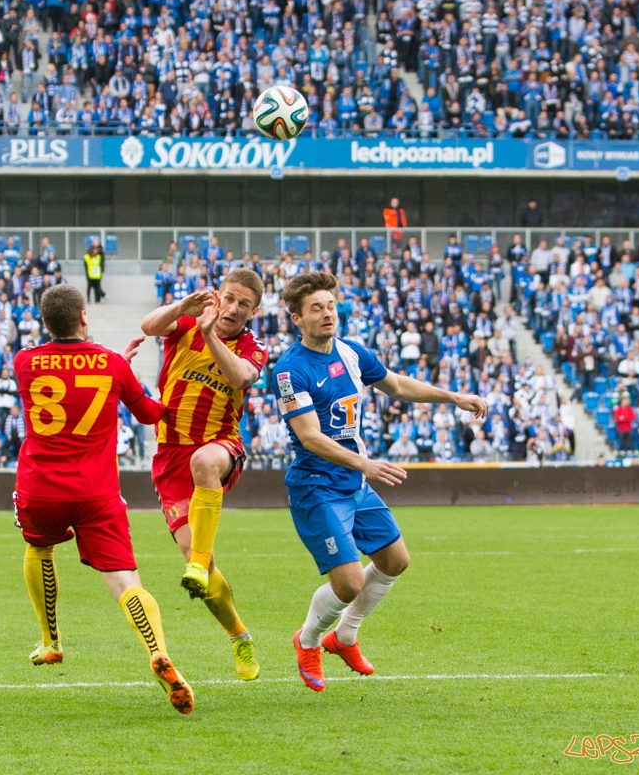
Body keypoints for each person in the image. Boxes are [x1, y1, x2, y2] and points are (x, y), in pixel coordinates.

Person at [272, 272, 486, 691]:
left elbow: (398, 385)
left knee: (395, 561)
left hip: (354, 480)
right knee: (350, 582)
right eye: (316, 308)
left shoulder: (352, 353)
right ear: (297, 318)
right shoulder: (288, 371)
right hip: (317, 486)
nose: (327, 313)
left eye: (330, 305)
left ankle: (344, 636)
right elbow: (309, 436)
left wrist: (453, 396)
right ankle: (309, 639)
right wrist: (366, 465)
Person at [13, 284, 194, 714]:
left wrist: (113, 374)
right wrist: (125, 377)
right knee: (126, 581)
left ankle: (50, 641)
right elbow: (150, 414)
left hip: (40, 487)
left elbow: (68, 378)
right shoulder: (111, 364)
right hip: (97, 492)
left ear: (44, 322)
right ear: (84, 317)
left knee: (38, 547)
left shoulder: (24, 361)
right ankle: (157, 651)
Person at [139, 268, 266, 681]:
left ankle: (197, 563)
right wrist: (182, 307)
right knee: (206, 573)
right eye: (228, 298)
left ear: (253, 311)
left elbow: (241, 377)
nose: (232, 309)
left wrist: (212, 335)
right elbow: (149, 326)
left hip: (219, 446)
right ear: (218, 295)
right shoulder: (188, 322)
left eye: (242, 304)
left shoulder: (252, 346)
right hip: (170, 456)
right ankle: (239, 636)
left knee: (205, 463)